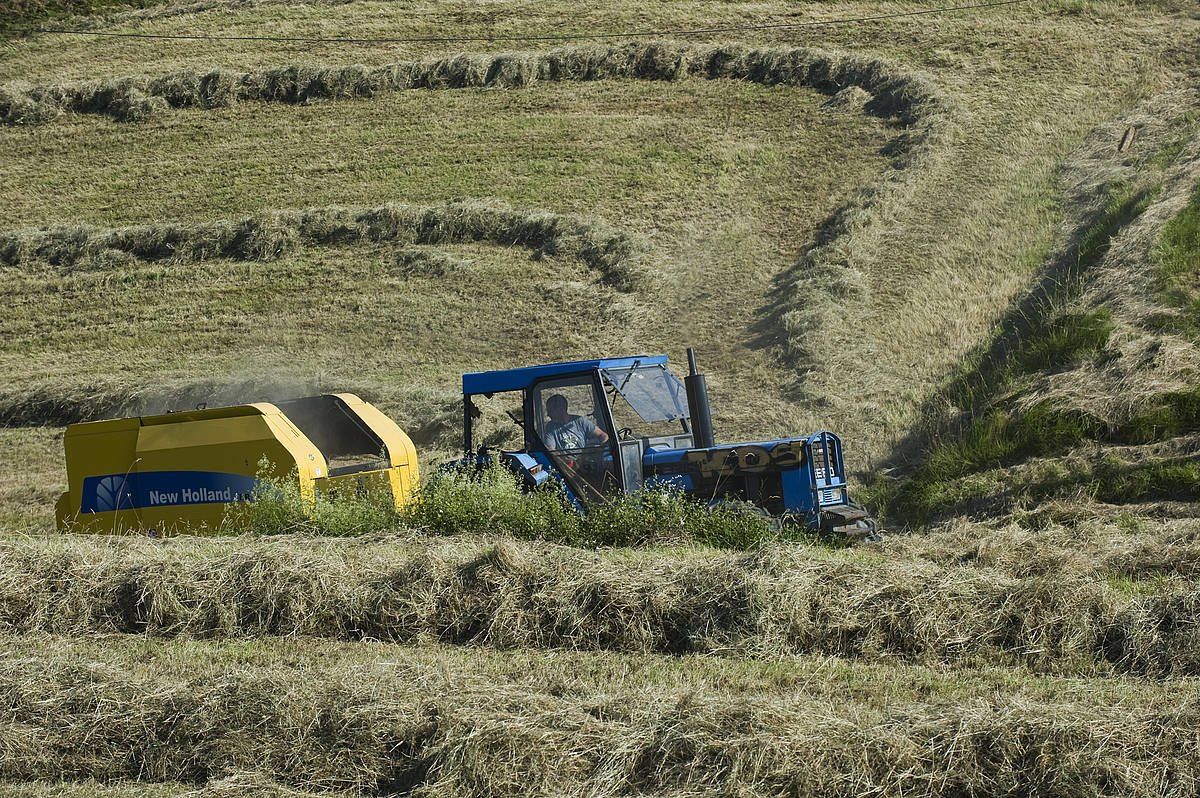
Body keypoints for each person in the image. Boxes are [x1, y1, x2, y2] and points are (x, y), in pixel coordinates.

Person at [544, 393, 609, 450]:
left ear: (561, 409)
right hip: (564, 462)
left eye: (550, 411)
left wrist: (596, 450)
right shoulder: (551, 427)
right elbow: (551, 449)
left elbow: (603, 435)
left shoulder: (580, 421)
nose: (548, 414)